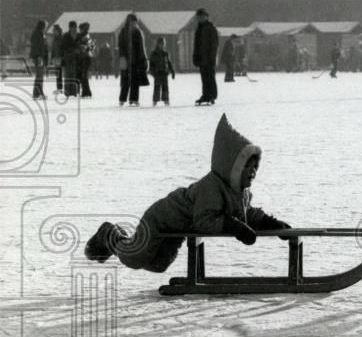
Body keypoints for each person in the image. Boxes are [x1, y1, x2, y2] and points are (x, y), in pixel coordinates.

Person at [84, 114, 291, 273]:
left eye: (256, 166)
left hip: (178, 226)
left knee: (159, 265)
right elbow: (204, 221)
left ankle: (114, 240)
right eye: (248, 167)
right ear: (232, 166)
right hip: (161, 219)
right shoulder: (212, 187)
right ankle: (109, 234)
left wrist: (269, 222)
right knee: (135, 257)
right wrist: (233, 226)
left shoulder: (240, 192)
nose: (253, 172)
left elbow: (246, 213)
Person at [117, 13, 148, 106]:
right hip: (126, 60)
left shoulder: (138, 32)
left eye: (134, 21)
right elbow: (121, 45)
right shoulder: (123, 32)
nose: (133, 23)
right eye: (131, 21)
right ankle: (122, 99)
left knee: (135, 80)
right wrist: (122, 56)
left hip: (136, 59)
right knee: (125, 81)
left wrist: (144, 58)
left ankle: (134, 99)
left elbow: (141, 47)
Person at [193, 7, 219, 105]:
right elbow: (196, 44)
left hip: (209, 58)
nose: (200, 18)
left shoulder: (210, 28)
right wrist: (195, 56)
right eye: (199, 16)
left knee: (210, 77)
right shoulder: (199, 28)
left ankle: (211, 96)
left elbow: (214, 44)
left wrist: (212, 56)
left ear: (206, 17)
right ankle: (205, 95)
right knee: (204, 78)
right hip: (201, 57)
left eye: (202, 16)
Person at [149, 37, 176, 106]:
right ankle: (155, 100)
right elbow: (151, 64)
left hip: (164, 73)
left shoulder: (165, 53)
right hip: (157, 73)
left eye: (164, 44)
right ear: (157, 44)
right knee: (157, 87)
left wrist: (172, 71)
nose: (162, 45)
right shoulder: (154, 53)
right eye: (161, 44)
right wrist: (152, 72)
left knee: (165, 87)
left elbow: (169, 63)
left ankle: (166, 100)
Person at [75, 22, 96, 98]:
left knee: (83, 75)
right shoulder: (84, 36)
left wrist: (82, 48)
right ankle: (86, 92)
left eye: (81, 29)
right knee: (81, 75)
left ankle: (86, 92)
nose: (80, 30)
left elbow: (90, 47)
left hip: (85, 58)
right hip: (83, 58)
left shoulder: (86, 37)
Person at [29, 20, 48, 100]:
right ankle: (37, 93)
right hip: (38, 57)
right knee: (39, 75)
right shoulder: (37, 34)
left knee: (40, 75)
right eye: (45, 26)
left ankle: (38, 92)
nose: (46, 28)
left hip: (40, 56)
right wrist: (39, 56)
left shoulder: (39, 33)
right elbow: (37, 46)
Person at [61, 21, 80, 97]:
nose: (74, 28)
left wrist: (78, 50)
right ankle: (67, 91)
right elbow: (63, 47)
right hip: (68, 57)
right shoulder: (66, 36)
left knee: (75, 75)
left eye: (75, 27)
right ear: (70, 27)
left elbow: (81, 44)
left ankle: (74, 92)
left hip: (76, 57)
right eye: (72, 27)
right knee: (68, 74)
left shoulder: (78, 35)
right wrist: (71, 50)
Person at [49, 24, 64, 91]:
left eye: (54, 30)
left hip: (59, 57)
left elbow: (60, 48)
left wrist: (60, 56)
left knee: (59, 73)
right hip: (56, 57)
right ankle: (59, 87)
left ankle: (60, 87)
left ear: (57, 31)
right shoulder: (56, 38)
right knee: (58, 73)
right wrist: (52, 57)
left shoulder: (60, 38)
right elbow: (53, 49)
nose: (53, 32)